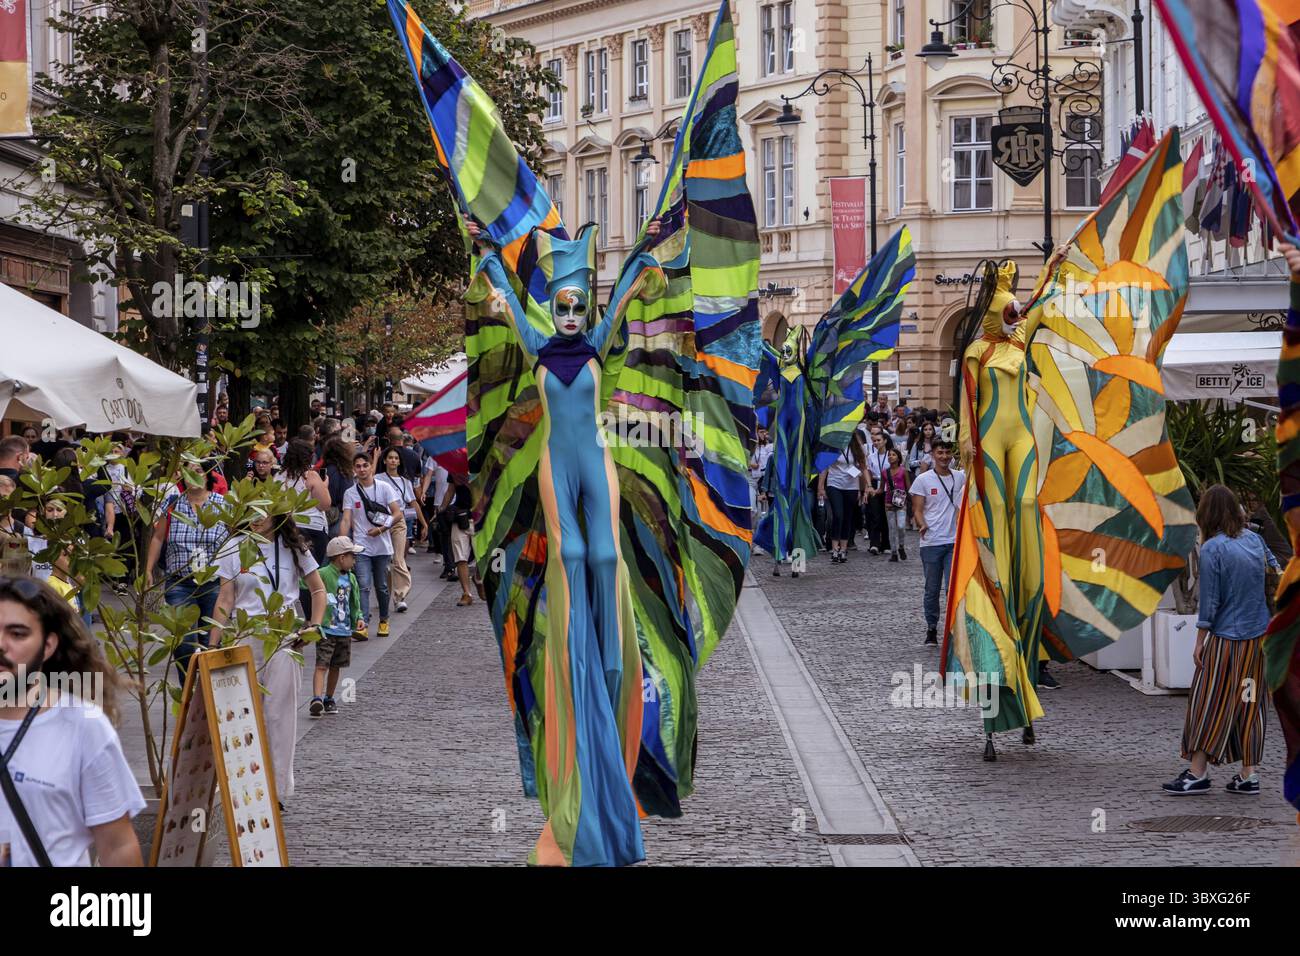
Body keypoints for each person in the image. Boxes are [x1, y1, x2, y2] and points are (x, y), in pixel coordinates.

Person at [0, 576, 144, 866]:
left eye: (17, 634)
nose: (1, 645)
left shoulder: (82, 726)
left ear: (49, 645)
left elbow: (118, 847)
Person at [1162, 485, 1277, 796]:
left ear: (1207, 514)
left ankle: (1197, 773)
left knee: (1207, 701)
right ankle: (1248, 774)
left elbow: (1210, 602)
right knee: (1250, 703)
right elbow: (1275, 570)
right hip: (1258, 639)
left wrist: (1199, 641)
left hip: (1227, 639)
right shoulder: (1255, 539)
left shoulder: (1213, 548)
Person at [210, 512, 326, 803]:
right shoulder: (233, 547)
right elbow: (225, 599)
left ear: (276, 514)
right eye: (249, 511)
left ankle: (276, 792)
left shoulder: (294, 547)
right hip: (244, 634)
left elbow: (319, 589)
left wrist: (313, 625)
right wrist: (212, 646)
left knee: (279, 715)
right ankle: (245, 788)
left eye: (262, 512)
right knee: (243, 714)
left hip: (283, 635)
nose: (255, 518)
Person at [145, 469, 229, 677]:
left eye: (199, 469)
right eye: (189, 469)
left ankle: (210, 696)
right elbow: (157, 537)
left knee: (212, 643)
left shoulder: (223, 504)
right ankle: (187, 695)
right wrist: (147, 569)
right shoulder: (173, 503)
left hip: (213, 583)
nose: (194, 474)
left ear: (209, 473)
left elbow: (234, 539)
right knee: (183, 642)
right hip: (179, 583)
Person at [339, 451, 402, 638]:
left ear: (371, 467)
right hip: (361, 546)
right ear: (353, 469)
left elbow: (397, 513)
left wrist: (382, 529)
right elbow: (346, 520)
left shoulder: (384, 488)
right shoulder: (350, 493)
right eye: (358, 466)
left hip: (382, 546)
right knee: (363, 585)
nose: (362, 469)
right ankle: (363, 623)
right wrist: (342, 544)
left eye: (365, 465)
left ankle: (384, 619)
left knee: (382, 586)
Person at [910, 440, 965, 646]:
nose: (944, 456)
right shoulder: (923, 480)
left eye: (947, 452)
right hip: (931, 542)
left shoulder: (960, 477)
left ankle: (952, 628)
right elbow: (917, 509)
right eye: (940, 452)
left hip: (953, 541)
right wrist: (922, 524)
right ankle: (931, 628)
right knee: (931, 589)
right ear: (933, 454)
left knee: (952, 588)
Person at [309, 537, 364, 718]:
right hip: (327, 629)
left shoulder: (352, 578)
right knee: (321, 664)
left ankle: (329, 698)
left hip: (344, 630)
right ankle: (317, 698)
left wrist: (359, 617)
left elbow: (354, 602)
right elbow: (307, 583)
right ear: (341, 558)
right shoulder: (324, 573)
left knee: (336, 666)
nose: (354, 560)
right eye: (352, 556)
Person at [376, 446, 423, 613]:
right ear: (384, 460)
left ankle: (400, 596)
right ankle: (386, 594)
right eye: (390, 458)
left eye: (396, 458)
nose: (393, 461)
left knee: (398, 558)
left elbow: (413, 502)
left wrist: (423, 523)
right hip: (381, 522)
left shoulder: (405, 481)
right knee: (384, 561)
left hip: (399, 521)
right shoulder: (378, 479)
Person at [817, 430, 867, 564]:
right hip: (834, 484)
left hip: (851, 486)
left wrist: (865, 487)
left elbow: (863, 467)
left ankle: (843, 549)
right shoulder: (832, 446)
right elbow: (825, 467)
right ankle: (834, 548)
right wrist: (821, 487)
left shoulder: (856, 447)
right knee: (837, 515)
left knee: (847, 517)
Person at [863, 427, 892, 555]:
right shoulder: (871, 457)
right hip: (875, 483)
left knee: (886, 515)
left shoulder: (891, 455)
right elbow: (868, 472)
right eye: (874, 441)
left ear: (885, 441)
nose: (876, 443)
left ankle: (886, 543)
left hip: (887, 485)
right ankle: (874, 543)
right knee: (874, 514)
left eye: (879, 440)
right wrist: (867, 487)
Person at [320, 437, 355, 538]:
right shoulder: (343, 472)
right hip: (340, 518)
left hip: (326, 516)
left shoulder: (326, 469)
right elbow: (346, 497)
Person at [882, 446, 910, 561]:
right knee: (892, 528)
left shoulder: (903, 471)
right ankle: (894, 552)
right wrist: (871, 491)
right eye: (889, 455)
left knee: (901, 526)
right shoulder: (885, 472)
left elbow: (908, 487)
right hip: (889, 503)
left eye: (893, 455)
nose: (890, 457)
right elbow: (881, 488)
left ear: (898, 458)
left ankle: (901, 546)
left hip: (901, 503)